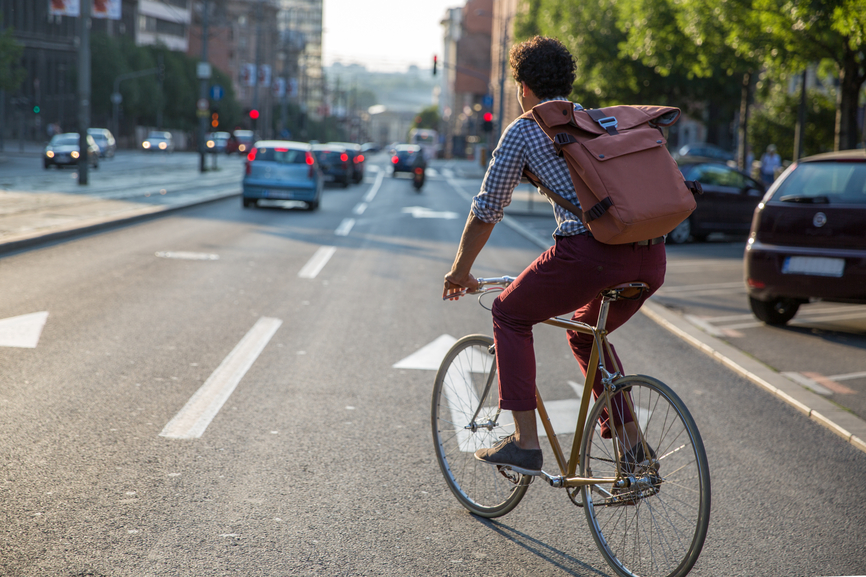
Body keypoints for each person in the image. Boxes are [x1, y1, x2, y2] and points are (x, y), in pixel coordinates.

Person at [442, 36, 666, 476]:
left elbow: (487, 209)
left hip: (590, 256)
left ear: (522, 87)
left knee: (508, 313)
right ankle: (634, 448)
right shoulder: (596, 121)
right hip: (651, 257)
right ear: (568, 81)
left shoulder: (526, 128)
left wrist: (460, 271)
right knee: (586, 333)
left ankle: (526, 443)